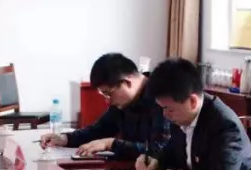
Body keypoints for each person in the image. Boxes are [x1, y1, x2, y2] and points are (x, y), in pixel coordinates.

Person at [135, 58, 251, 170]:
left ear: (192, 101)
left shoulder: (224, 125)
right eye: (162, 108)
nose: (165, 115)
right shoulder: (182, 115)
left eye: (169, 109)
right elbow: (174, 152)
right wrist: (156, 160)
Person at [39, 53, 171, 160]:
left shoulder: (162, 97)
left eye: (108, 93)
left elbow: (159, 150)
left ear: (126, 83)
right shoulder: (122, 102)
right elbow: (99, 130)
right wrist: (66, 138)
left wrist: (111, 144)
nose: (107, 101)